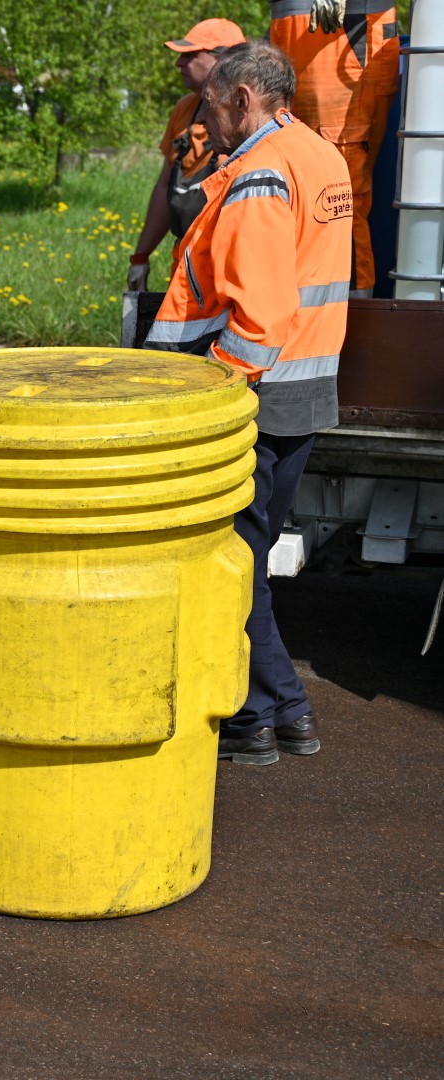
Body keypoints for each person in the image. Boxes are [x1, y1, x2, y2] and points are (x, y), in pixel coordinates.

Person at [143, 40, 352, 766]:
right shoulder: (318, 154)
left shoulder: (261, 173)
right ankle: (273, 716)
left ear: (243, 98)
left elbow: (259, 317)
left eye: (211, 105)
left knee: (233, 563)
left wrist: (213, 391)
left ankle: (269, 712)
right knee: (247, 559)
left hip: (254, 395)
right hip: (303, 387)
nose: (204, 120)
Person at [270, 0, 400, 298]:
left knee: (340, 195)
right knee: (295, 187)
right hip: (290, 35)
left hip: (347, 34)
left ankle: (352, 314)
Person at [126, 18, 248, 291]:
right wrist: (140, 256)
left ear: (223, 59)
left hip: (232, 265)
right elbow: (165, 185)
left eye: (189, 55)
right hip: (185, 260)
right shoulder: (184, 109)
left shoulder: (250, 115)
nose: (178, 63)